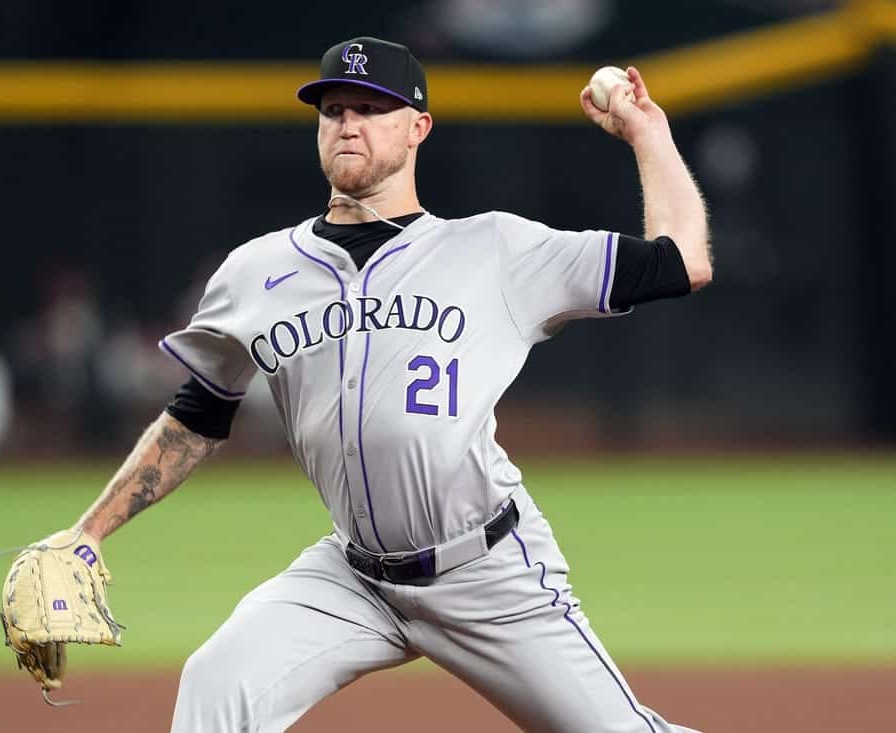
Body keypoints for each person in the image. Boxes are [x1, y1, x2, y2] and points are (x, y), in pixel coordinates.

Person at [71, 37, 711, 732]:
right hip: (354, 575)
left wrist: (649, 133)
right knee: (215, 685)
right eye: (335, 109)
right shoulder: (254, 273)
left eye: (373, 108)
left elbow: (683, 261)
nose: (349, 122)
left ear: (417, 127)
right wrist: (89, 531)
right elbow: (196, 417)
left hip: (486, 568)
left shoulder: (495, 250)